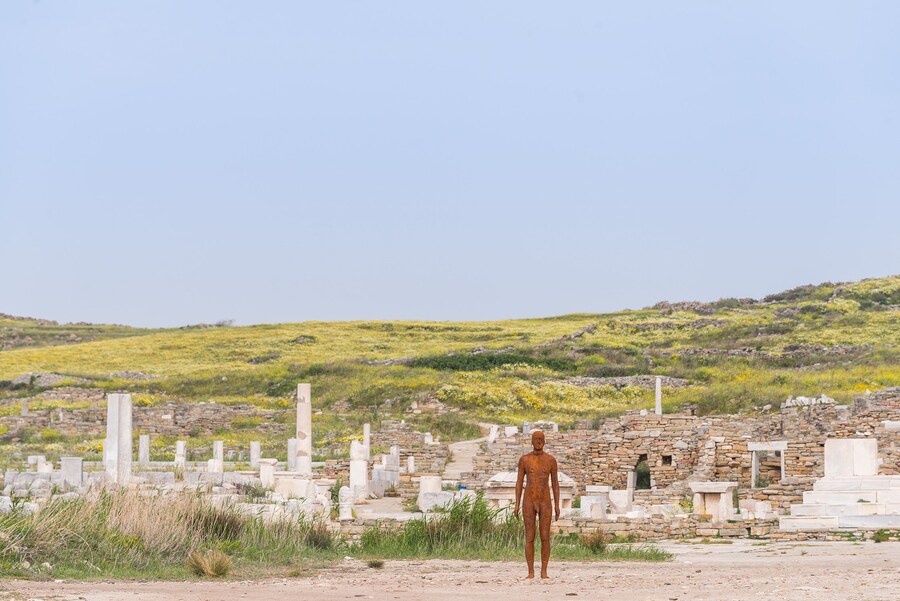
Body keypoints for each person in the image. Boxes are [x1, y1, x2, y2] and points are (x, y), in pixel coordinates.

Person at [513, 430, 560, 579]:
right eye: (536, 439)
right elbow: (519, 482)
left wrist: (557, 504)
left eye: (541, 439)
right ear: (531, 441)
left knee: (545, 536)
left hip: (545, 501)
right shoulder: (525, 460)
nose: (538, 441)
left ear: (545, 441)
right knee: (529, 537)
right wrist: (516, 503)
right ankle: (530, 572)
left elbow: (555, 484)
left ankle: (544, 571)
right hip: (529, 500)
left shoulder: (550, 460)